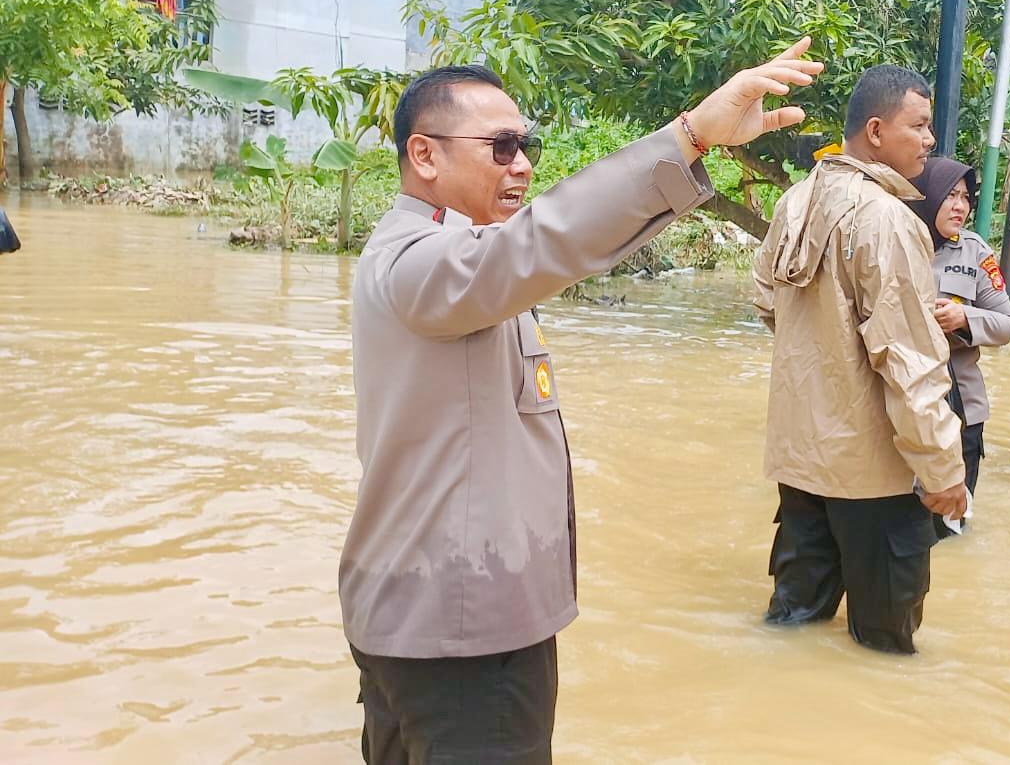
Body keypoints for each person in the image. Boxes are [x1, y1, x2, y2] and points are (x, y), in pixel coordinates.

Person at [341, 40, 824, 763]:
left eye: (525, 144)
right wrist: (689, 137)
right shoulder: (422, 261)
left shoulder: (460, 254)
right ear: (425, 155)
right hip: (465, 635)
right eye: (501, 146)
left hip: (438, 618)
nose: (523, 164)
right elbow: (549, 241)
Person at [754, 64, 967, 655]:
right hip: (873, 473)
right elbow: (911, 363)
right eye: (919, 126)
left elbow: (766, 302)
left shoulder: (796, 200)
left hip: (800, 461)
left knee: (793, 626)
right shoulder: (887, 219)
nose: (929, 140)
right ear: (876, 131)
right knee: (883, 650)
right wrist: (944, 469)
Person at [904, 156, 1010, 536]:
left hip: (961, 408)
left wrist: (964, 318)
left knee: (950, 527)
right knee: (904, 526)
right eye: (950, 195)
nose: (960, 206)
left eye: (965, 197)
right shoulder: (895, 241)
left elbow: (1006, 325)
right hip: (903, 404)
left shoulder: (975, 252)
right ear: (926, 195)